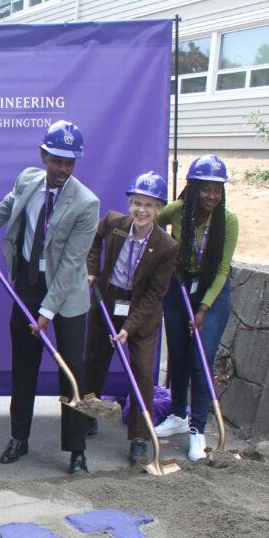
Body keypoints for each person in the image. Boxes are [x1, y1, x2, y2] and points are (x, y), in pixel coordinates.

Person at [0, 120, 100, 474]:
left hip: (67, 296)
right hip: (29, 284)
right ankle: (19, 437)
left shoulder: (86, 203)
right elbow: (7, 207)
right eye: (57, 160)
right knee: (24, 365)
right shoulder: (27, 180)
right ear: (43, 155)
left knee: (70, 374)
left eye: (70, 162)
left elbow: (71, 265)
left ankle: (76, 450)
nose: (63, 169)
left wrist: (48, 311)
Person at [84, 171, 178, 465]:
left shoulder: (166, 246)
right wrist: (92, 270)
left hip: (142, 314)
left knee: (142, 373)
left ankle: (138, 437)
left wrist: (128, 328)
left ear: (159, 209)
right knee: (94, 362)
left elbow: (154, 295)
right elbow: (93, 240)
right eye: (137, 202)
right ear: (129, 203)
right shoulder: (115, 223)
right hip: (107, 299)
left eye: (149, 205)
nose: (141, 210)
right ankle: (88, 416)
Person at [153, 154, 238, 461]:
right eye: (205, 188)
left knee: (200, 358)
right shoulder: (178, 211)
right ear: (192, 188)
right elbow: (151, 226)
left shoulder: (227, 220)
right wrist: (169, 255)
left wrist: (203, 308)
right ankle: (177, 415)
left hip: (212, 293)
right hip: (179, 288)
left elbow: (223, 270)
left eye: (217, 189)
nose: (212, 196)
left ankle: (197, 430)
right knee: (177, 353)